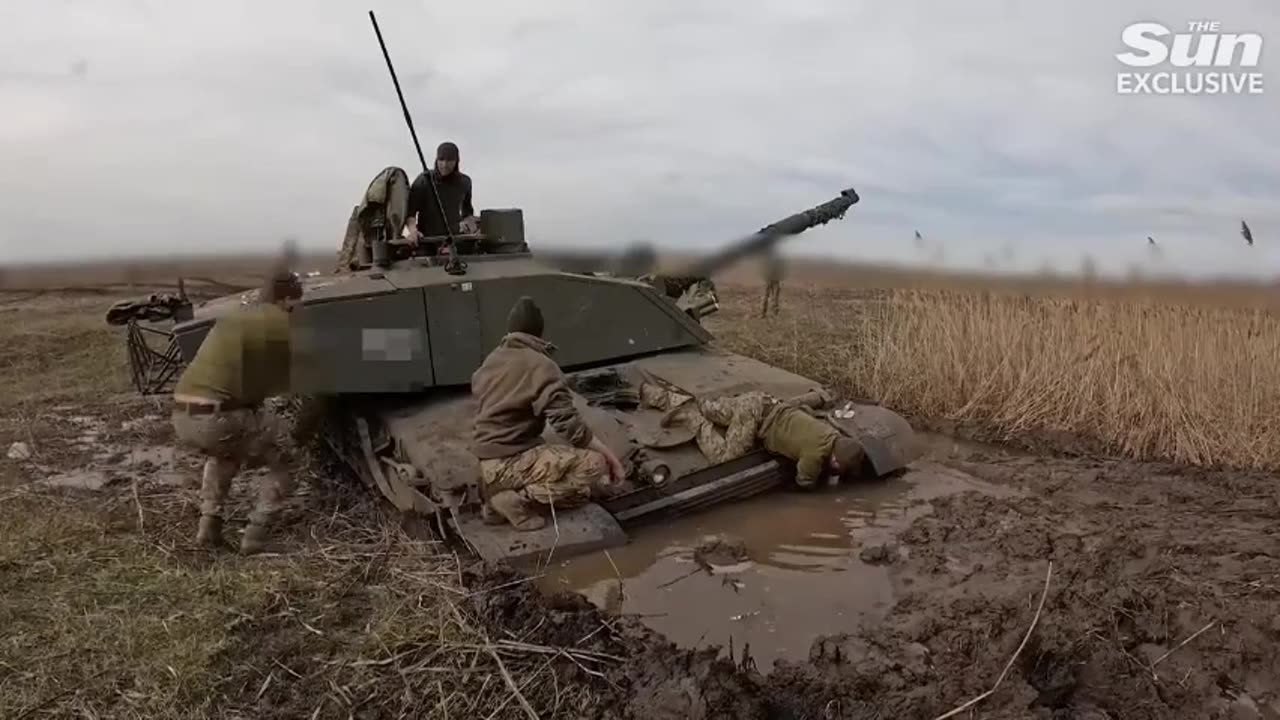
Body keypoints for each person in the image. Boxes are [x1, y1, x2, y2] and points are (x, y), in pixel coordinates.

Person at [170, 268, 304, 554]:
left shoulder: (238, 316)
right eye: (294, 303)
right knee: (288, 457)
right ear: (286, 300)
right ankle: (257, 534)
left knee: (225, 453)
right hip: (219, 419)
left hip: (184, 415)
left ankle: (209, 527)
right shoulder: (278, 322)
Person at [470, 296, 626, 531]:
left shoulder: (490, 362)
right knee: (594, 464)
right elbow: (568, 425)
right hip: (512, 460)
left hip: (487, 464)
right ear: (539, 332)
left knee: (579, 494)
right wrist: (611, 458)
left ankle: (494, 503)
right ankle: (516, 500)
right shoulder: (541, 364)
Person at [640, 381, 864, 489]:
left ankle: (654, 394)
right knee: (724, 458)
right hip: (755, 418)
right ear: (836, 460)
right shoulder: (816, 455)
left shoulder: (830, 431)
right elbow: (804, 482)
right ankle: (693, 420)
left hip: (759, 401)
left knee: (709, 408)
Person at [405, 141, 479, 240]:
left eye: (449, 160)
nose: (444, 165)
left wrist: (473, 229)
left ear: (456, 161)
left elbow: (467, 213)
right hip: (426, 240)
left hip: (454, 239)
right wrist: (413, 232)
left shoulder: (465, 182)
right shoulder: (424, 180)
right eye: (441, 160)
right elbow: (410, 213)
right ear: (436, 160)